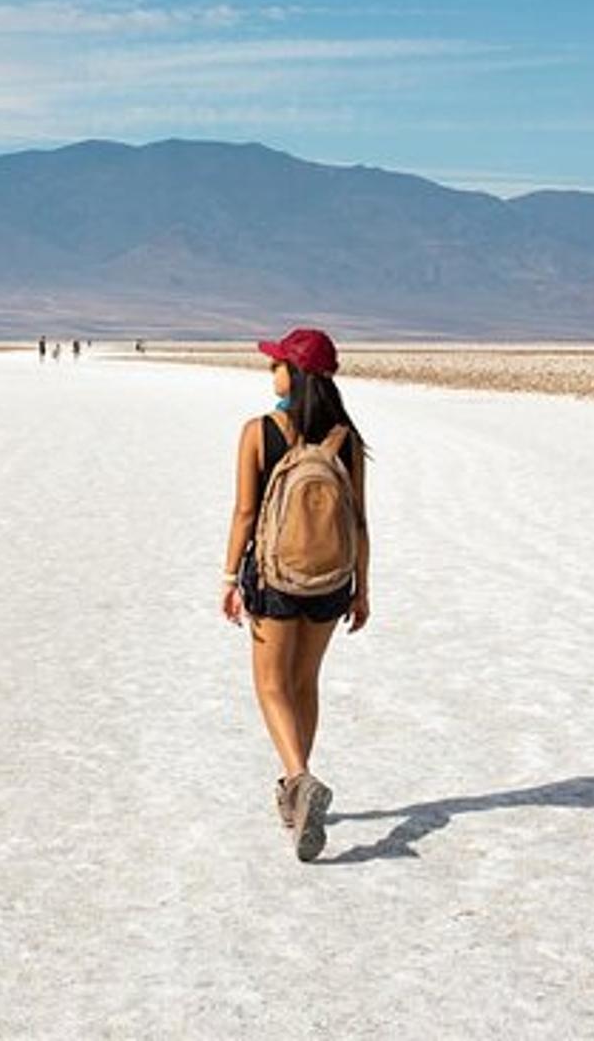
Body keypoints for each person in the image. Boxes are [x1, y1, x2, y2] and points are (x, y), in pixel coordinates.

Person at [220, 326, 370, 862]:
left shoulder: (259, 431)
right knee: (305, 682)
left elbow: (245, 513)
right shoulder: (345, 439)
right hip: (331, 579)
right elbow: (359, 520)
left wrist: (229, 578)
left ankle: (299, 778)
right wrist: (362, 589)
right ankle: (294, 794)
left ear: (297, 373)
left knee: (271, 684)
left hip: (275, 577)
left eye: (277, 364)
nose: (271, 372)